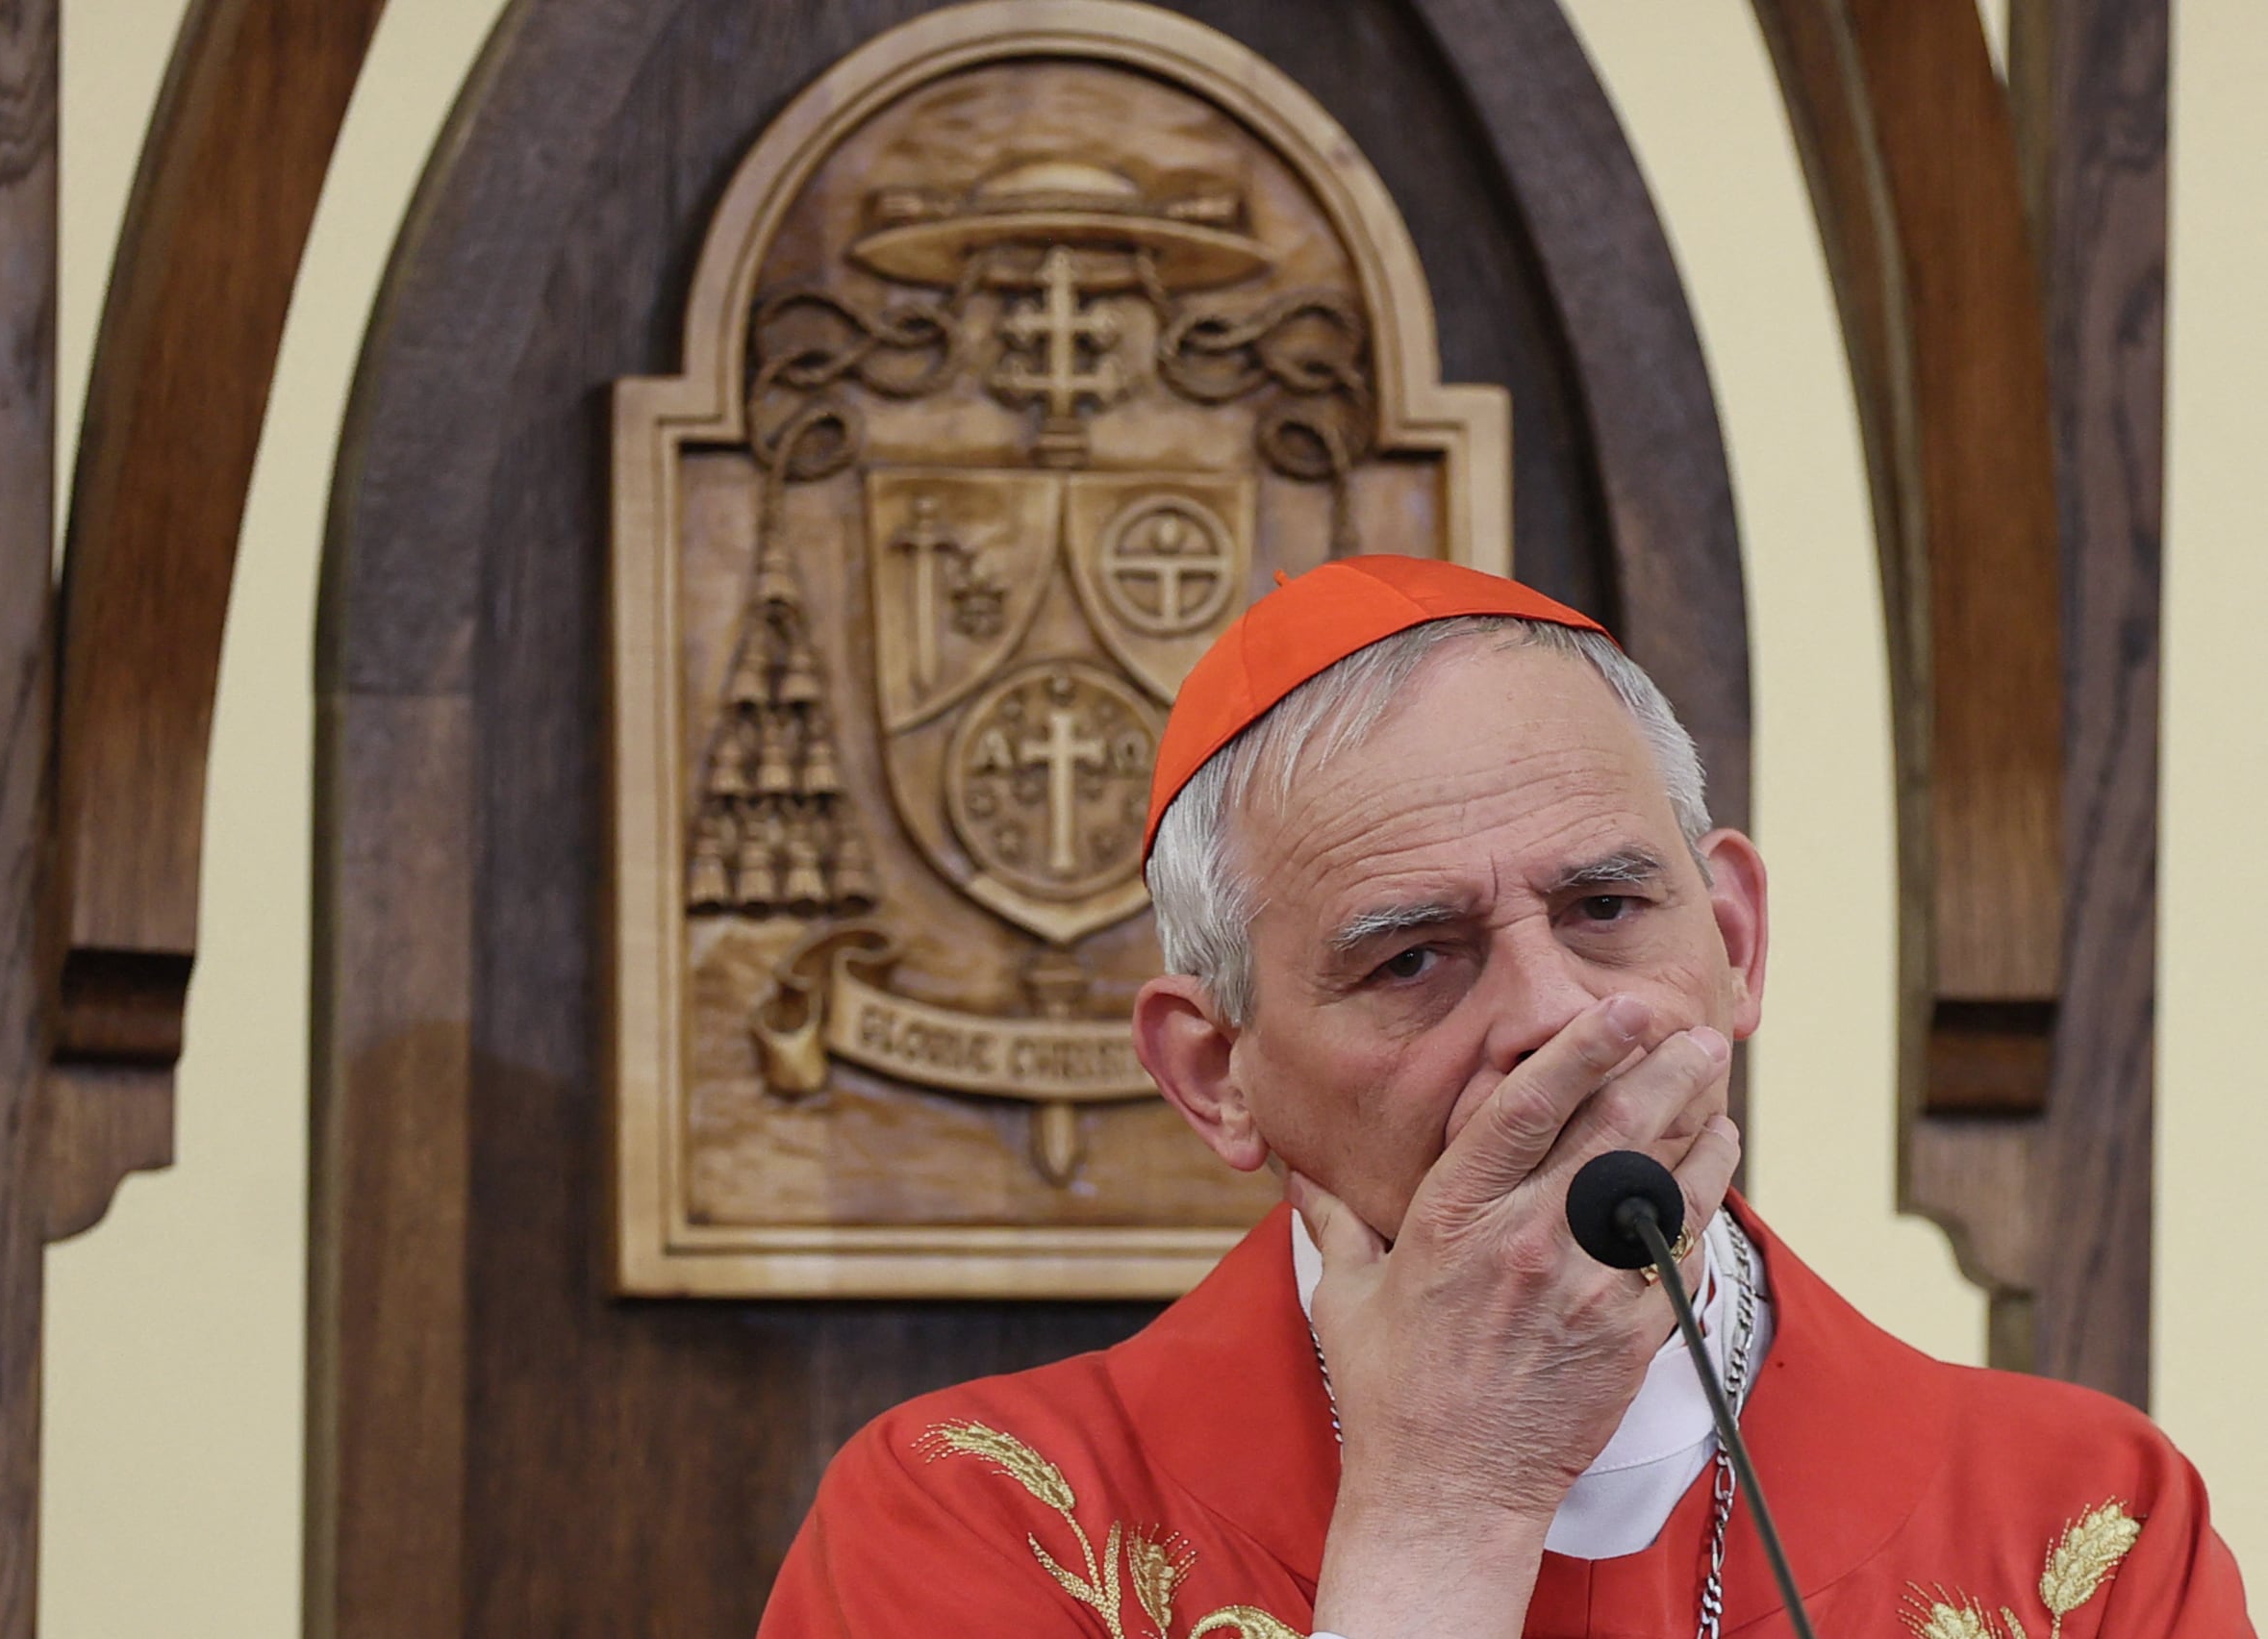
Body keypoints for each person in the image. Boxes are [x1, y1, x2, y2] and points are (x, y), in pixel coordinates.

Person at [758, 556, 2251, 1637]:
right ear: (1218, 1076)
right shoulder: (987, 1523)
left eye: (1606, 908)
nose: (1551, 1014)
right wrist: (1442, 1513)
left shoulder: (2079, 1532)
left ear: (1731, 944)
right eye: (1413, 959)